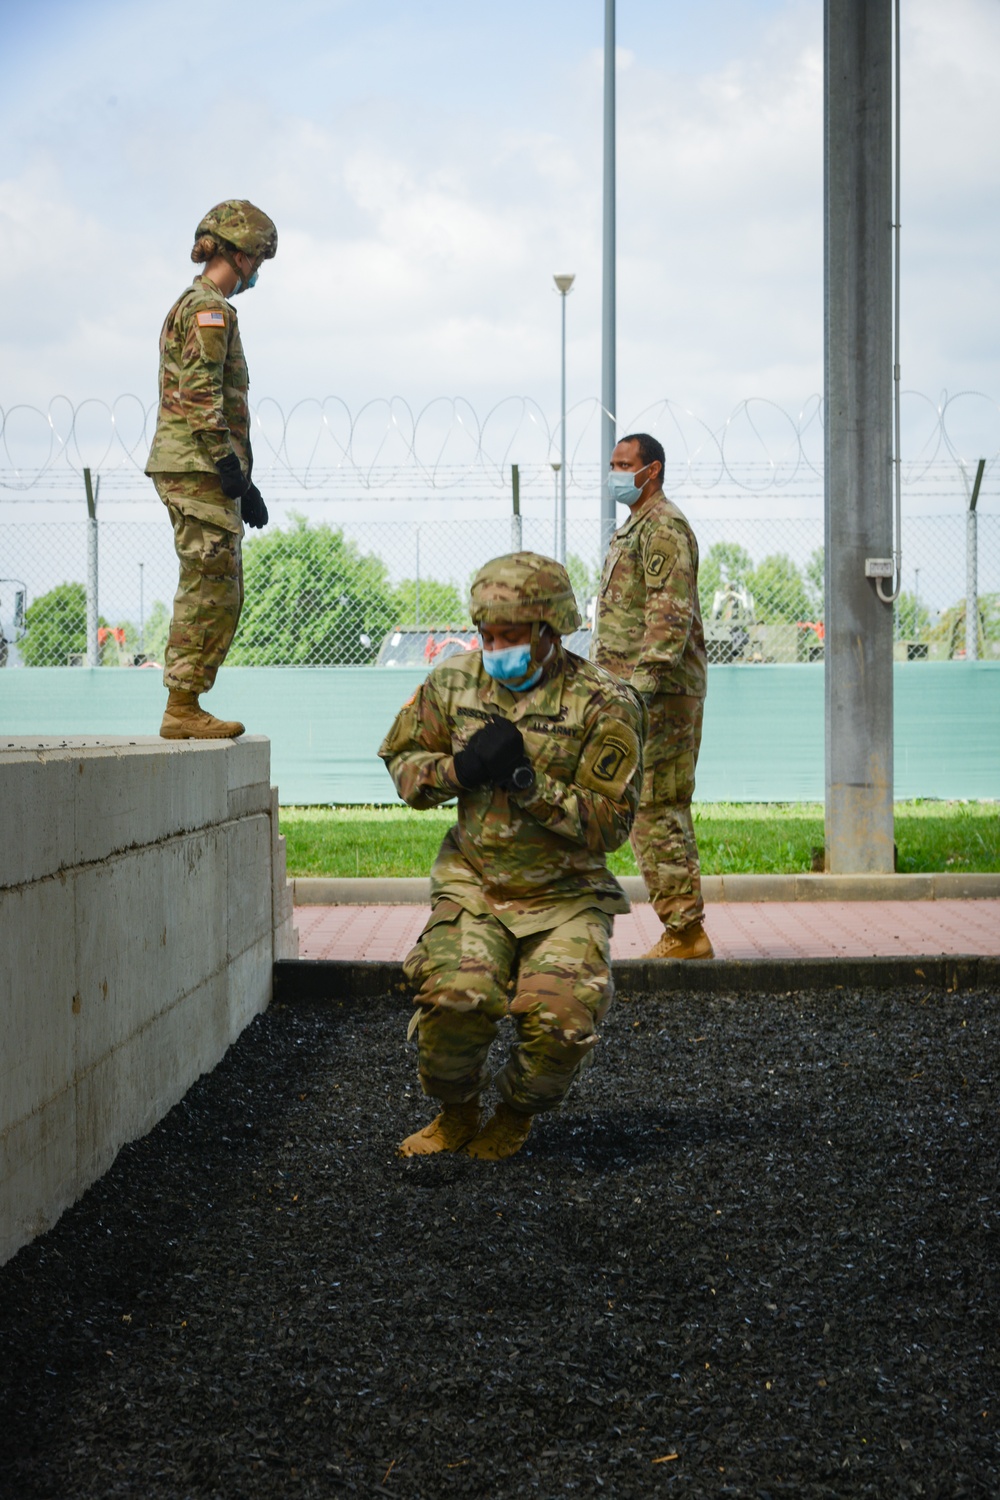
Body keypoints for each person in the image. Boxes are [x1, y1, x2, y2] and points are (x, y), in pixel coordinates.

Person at [379, 553, 645, 1161]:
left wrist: (527, 782)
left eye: (512, 636)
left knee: (561, 1022)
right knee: (453, 998)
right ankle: (457, 1113)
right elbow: (403, 765)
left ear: (552, 631)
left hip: (566, 895)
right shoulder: (454, 684)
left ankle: (515, 1115)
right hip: (476, 883)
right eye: (487, 634)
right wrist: (459, 769)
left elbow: (610, 825)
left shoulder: (607, 704)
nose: (496, 648)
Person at [145, 199, 277, 740]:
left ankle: (187, 702)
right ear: (242, 254)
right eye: (260, 260)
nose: (259, 273)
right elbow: (201, 394)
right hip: (197, 467)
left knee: (218, 585)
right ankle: (182, 707)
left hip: (198, 464)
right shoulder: (210, 309)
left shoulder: (197, 305)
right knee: (210, 587)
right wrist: (227, 466)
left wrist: (242, 480)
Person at [592, 432, 713, 960]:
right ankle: (684, 928)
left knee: (656, 806)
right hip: (636, 693)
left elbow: (669, 616)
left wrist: (637, 693)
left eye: (626, 464)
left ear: (653, 470)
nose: (616, 472)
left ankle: (685, 932)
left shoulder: (662, 527)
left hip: (658, 696)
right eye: (613, 463)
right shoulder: (635, 528)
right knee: (649, 804)